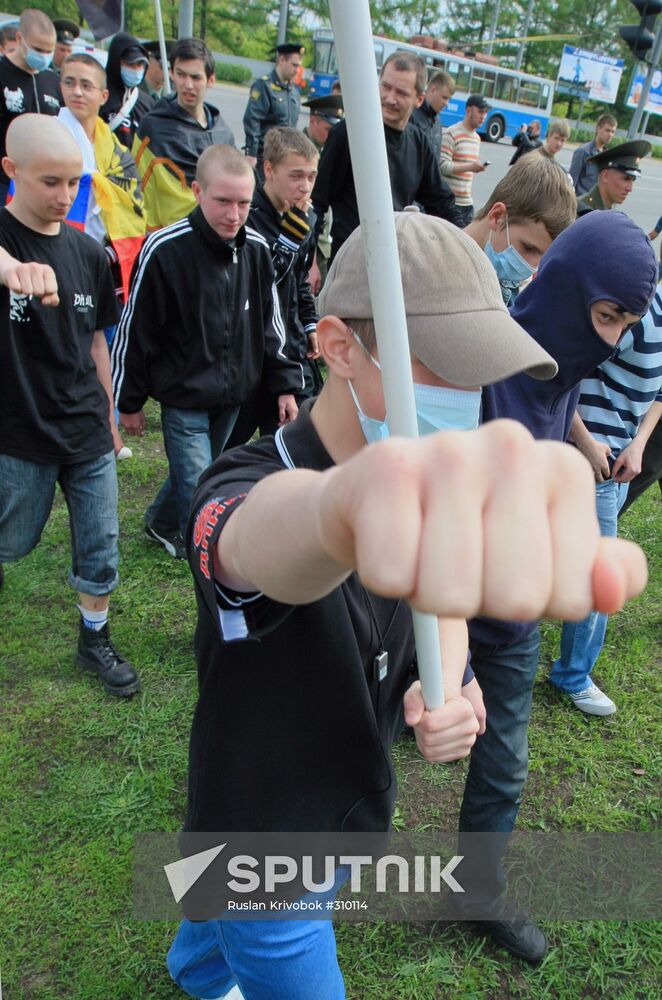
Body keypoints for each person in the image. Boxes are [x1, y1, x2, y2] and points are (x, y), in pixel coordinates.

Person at [164, 209, 648, 1000]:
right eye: (442, 366)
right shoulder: (245, 485)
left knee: (204, 937)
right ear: (339, 347)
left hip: (354, 798)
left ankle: (196, 965)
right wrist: (341, 510)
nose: (469, 394)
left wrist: (450, 678)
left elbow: (442, 600)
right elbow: (245, 546)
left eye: (479, 370)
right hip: (264, 840)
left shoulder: (424, 475)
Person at [455, 210, 656, 962]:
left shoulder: (564, 366)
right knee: (356, 755)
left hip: (512, 609)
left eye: (625, 323)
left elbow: (558, 411)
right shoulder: (476, 361)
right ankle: (278, 898)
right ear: (568, 288)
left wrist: (579, 449)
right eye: (606, 316)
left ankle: (475, 892)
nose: (611, 341)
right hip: (426, 603)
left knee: (504, 763)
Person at [0, 114, 139, 696]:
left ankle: (94, 638)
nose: (64, 196)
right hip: (18, 431)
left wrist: (108, 417)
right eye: (49, 182)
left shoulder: (88, 251)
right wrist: (13, 269)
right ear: (11, 171)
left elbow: (95, 344)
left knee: (101, 543)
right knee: (13, 541)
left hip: (84, 426)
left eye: (74, 183)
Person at [112, 144, 302, 559]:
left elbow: (272, 326)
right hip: (184, 398)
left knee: (205, 468)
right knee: (202, 489)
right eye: (222, 201)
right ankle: (203, 555)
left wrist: (285, 385)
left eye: (243, 203)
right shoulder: (164, 249)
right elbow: (136, 329)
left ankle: (159, 521)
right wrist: (128, 401)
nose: (233, 215)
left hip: (233, 395)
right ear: (197, 191)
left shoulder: (256, 250)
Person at [550, 293, 662, 715]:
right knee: (601, 575)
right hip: (590, 462)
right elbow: (562, 375)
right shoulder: (639, 315)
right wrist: (584, 441)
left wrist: (638, 444)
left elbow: (659, 390)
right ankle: (572, 676)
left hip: (617, 460)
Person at [312, 50, 463, 261]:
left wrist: (467, 243)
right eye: (385, 87)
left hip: (393, 262)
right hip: (348, 260)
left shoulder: (420, 144)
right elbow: (317, 201)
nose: (390, 98)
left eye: (401, 92)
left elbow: (443, 204)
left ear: (419, 99)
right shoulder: (348, 133)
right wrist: (310, 260)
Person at [227, 126, 320, 446]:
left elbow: (300, 280)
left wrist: (310, 324)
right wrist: (290, 239)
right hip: (251, 351)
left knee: (298, 445)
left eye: (311, 177)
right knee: (225, 451)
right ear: (268, 169)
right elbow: (256, 287)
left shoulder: (307, 215)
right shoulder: (244, 216)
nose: (304, 186)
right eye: (296, 176)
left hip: (290, 347)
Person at [57, 52, 146, 302]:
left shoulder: (115, 149)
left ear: (103, 95)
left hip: (99, 252)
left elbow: (132, 203)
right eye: (69, 82)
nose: (77, 92)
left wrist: (111, 252)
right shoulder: (49, 135)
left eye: (86, 85)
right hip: (54, 245)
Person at [133, 37, 234, 231]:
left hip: (215, 238)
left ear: (210, 80)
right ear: (171, 73)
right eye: (181, 75)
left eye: (196, 78)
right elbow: (138, 192)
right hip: (167, 240)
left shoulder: (223, 134)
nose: (188, 85)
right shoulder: (153, 127)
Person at [464, 154, 576, 307]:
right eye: (528, 248)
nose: (532, 266)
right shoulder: (441, 273)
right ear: (497, 216)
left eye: (543, 256)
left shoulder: (506, 284)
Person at [0, 8, 61, 203]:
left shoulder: (52, 80)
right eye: (38, 49)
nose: (43, 56)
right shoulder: (2, 73)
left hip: (43, 186)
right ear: (19, 39)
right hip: (5, 182)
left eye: (49, 51)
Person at [243, 42, 303, 179]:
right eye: (294, 65)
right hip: (264, 157)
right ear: (282, 60)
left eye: (299, 66)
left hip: (285, 159)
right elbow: (252, 120)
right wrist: (251, 153)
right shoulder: (264, 86)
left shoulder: (293, 92)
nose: (297, 70)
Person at [302, 93, 343, 291]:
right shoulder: (298, 152)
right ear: (313, 120)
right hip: (304, 238)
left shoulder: (330, 150)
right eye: (328, 129)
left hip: (324, 243)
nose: (331, 135)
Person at [439, 93, 489, 226]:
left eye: (485, 112)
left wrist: (476, 167)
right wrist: (470, 167)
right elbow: (442, 166)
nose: (483, 116)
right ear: (468, 110)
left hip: (467, 204)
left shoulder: (477, 138)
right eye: (480, 111)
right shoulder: (451, 133)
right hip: (451, 204)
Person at [100, 32, 152, 151]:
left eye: (140, 65)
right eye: (130, 64)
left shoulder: (148, 103)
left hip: (134, 168)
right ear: (116, 62)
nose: (136, 70)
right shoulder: (99, 95)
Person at [577, 139, 651, 215]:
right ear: (605, 176)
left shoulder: (605, 210)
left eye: (633, 180)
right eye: (626, 179)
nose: (630, 188)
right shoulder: (580, 210)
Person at [410, 69, 455, 163]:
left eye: (449, 99)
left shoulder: (438, 122)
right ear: (432, 90)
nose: (447, 103)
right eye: (444, 98)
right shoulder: (411, 115)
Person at [569, 113, 617, 196]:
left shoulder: (608, 155)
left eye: (613, 132)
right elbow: (571, 183)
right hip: (582, 204)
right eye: (607, 130)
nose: (610, 135)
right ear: (598, 129)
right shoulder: (583, 152)